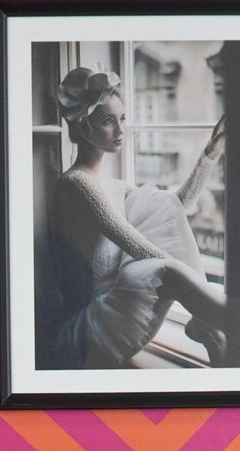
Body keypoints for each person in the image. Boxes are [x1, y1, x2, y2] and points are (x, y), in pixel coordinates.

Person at [46, 66, 229, 370]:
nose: (120, 131)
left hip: (120, 310)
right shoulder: (76, 184)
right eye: (108, 121)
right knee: (167, 269)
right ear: (83, 126)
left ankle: (215, 327)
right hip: (92, 330)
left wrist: (210, 154)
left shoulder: (113, 186)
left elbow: (175, 206)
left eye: (122, 119)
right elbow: (139, 248)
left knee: (165, 208)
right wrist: (191, 288)